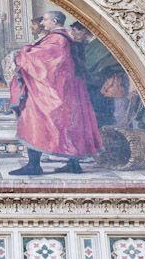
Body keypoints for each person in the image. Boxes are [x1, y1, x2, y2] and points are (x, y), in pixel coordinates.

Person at [8, 11, 102, 175]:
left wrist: (22, 53)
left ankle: (34, 165)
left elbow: (43, 61)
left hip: (52, 91)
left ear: (55, 21)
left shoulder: (57, 39)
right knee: (71, 124)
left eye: (45, 20)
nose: (43, 23)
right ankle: (73, 165)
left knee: (34, 121)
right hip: (67, 90)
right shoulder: (64, 37)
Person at [69, 21, 125, 126]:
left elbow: (90, 67)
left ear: (84, 31)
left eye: (75, 30)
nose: (72, 33)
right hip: (93, 86)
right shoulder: (83, 45)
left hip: (101, 86)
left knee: (102, 118)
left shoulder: (100, 45)